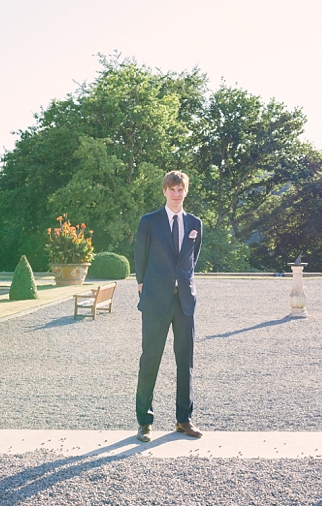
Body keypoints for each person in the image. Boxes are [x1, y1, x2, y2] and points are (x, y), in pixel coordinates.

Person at [133, 170, 204, 442]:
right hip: (155, 300)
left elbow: (191, 260)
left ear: (185, 192)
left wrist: (182, 282)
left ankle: (183, 419)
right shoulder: (149, 221)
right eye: (172, 189)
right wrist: (142, 284)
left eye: (180, 189)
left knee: (185, 362)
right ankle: (144, 421)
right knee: (150, 360)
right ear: (164, 191)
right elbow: (141, 255)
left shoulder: (195, 223)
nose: (176, 194)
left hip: (184, 301)